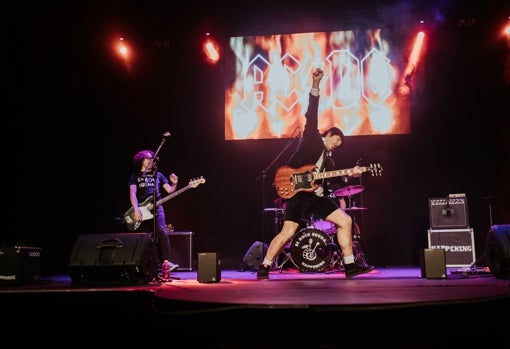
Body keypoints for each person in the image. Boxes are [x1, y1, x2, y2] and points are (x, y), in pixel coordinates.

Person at [257, 67, 374, 279]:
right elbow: (311, 112)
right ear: (328, 135)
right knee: (288, 232)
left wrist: (350, 175)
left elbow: (332, 184)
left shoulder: (329, 162)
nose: (337, 144)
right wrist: (316, 83)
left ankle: (350, 266)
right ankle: (264, 266)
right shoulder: (312, 137)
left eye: (340, 143)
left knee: (345, 221)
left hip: (317, 196)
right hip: (299, 193)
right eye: (336, 140)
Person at [128, 149, 179, 278]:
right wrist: (136, 209)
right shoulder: (135, 176)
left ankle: (166, 263)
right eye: (148, 159)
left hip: (157, 207)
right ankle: (153, 265)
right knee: (148, 238)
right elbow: (132, 193)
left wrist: (174, 184)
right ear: (141, 161)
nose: (151, 161)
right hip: (142, 209)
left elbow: (170, 191)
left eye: (152, 159)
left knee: (162, 231)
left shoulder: (159, 175)